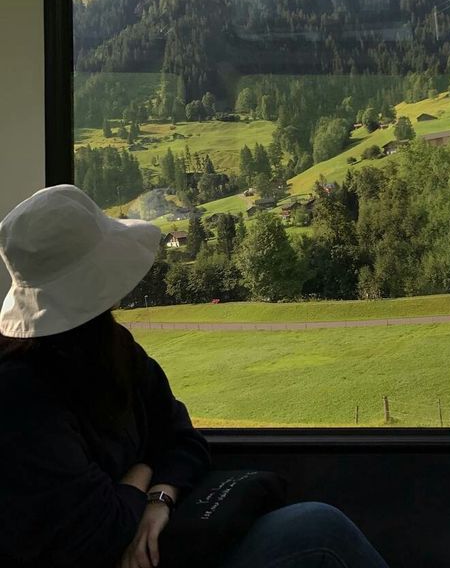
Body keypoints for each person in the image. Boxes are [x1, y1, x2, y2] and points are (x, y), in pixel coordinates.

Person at [0, 185, 389, 568]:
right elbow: (104, 533)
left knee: (318, 525)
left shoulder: (112, 347)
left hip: (160, 539)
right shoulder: (18, 395)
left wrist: (159, 500)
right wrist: (143, 472)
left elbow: (182, 438)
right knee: (319, 532)